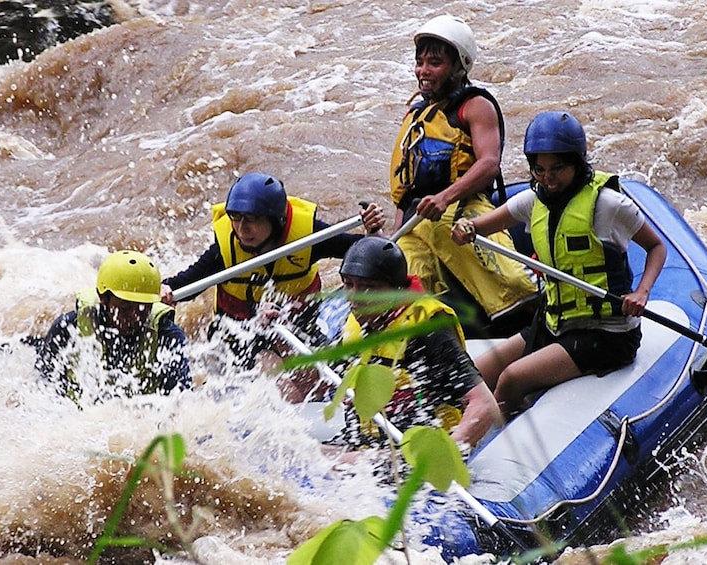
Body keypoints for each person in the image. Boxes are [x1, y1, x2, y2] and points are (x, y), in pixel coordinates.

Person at [451, 111, 667, 419]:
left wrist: (642, 293)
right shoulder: (532, 201)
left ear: (577, 163)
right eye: (539, 169)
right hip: (553, 323)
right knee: (475, 375)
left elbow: (656, 247)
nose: (548, 178)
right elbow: (480, 227)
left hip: (606, 334)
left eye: (557, 169)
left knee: (511, 379)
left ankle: (487, 440)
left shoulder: (608, 205)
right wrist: (465, 229)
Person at [159, 172, 385, 396]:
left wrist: (373, 232)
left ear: (276, 220)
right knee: (284, 385)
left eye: (252, 218)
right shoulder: (225, 249)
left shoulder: (308, 237)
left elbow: (368, 254)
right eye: (236, 217)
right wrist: (165, 290)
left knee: (320, 383)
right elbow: (183, 284)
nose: (242, 228)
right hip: (240, 334)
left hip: (298, 325)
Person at [388, 15, 539, 337]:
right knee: (408, 297)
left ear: (460, 66)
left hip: (461, 208)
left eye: (435, 63)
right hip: (416, 223)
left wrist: (444, 198)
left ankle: (539, 323)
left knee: (512, 283)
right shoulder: (415, 115)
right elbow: (405, 189)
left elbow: (488, 163)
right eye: (420, 62)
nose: (423, 71)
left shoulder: (474, 106)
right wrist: (394, 233)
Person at [332, 237, 501, 454]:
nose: (355, 297)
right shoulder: (359, 322)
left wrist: (443, 454)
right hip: (368, 445)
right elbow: (314, 379)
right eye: (348, 284)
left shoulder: (428, 327)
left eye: (368, 287)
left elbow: (484, 404)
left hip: (417, 448)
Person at [38, 250, 191, 402]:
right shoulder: (67, 328)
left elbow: (180, 402)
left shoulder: (167, 335)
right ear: (103, 298)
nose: (135, 316)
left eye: (144, 308)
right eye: (125, 307)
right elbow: (44, 391)